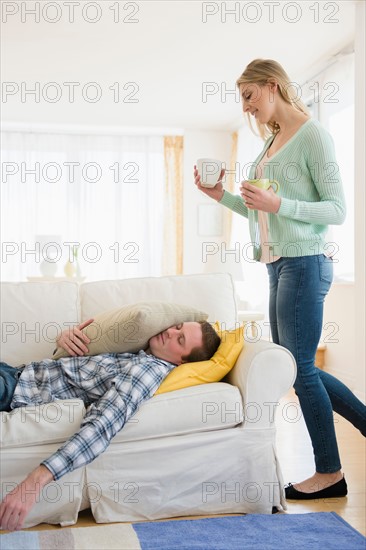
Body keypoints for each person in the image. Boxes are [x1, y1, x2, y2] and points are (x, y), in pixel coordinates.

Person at [194, 58, 366, 500]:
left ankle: (330, 473)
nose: (247, 109)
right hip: (278, 264)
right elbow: (259, 209)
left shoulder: (313, 136)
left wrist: (281, 205)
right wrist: (222, 196)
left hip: (305, 261)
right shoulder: (270, 142)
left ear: (272, 86)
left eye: (250, 97)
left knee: (300, 369)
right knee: (297, 366)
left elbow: (337, 210)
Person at [0, 319, 221, 531]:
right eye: (177, 327)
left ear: (182, 361)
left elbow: (102, 426)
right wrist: (64, 342)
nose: (170, 332)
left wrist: (33, 483)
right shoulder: (140, 351)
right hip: (16, 371)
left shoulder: (148, 371)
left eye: (180, 339)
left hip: (14, 388)